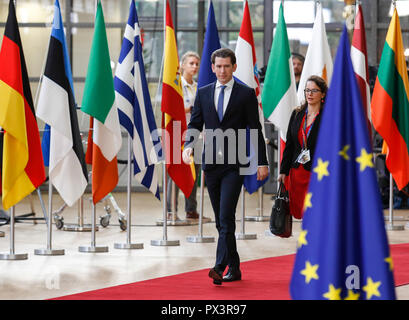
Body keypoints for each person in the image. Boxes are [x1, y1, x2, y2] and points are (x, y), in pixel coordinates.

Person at [183, 48, 269, 285]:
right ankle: (236, 268)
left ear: (234, 67)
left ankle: (219, 266)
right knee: (223, 222)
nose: (222, 71)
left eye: (226, 66)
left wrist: (262, 161)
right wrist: (188, 145)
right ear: (212, 68)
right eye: (218, 66)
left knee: (225, 216)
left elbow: (255, 129)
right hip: (211, 164)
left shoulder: (245, 94)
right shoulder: (203, 93)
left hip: (234, 164)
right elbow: (196, 122)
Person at [278, 75, 328, 220]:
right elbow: (290, 145)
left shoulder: (328, 116)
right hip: (297, 171)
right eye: (307, 90)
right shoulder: (297, 113)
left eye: (314, 90)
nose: (310, 94)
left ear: (323, 94)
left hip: (318, 171)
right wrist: (283, 171)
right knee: (300, 210)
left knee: (317, 211)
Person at [166, 51, 208, 221]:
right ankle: (170, 210)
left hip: (196, 135)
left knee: (194, 173)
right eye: (191, 63)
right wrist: (191, 110)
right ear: (182, 65)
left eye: (197, 64)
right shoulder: (176, 86)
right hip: (178, 134)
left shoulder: (198, 87)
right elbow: (172, 109)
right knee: (175, 172)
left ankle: (191, 210)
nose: (195, 66)